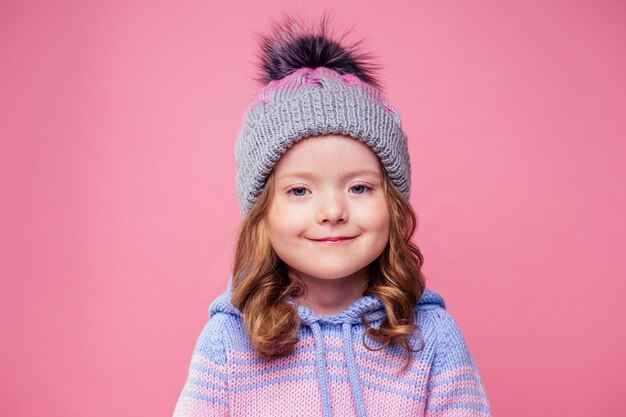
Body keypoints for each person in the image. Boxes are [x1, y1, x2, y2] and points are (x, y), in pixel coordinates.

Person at [173, 15, 491, 417]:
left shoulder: (433, 340)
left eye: (359, 187)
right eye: (299, 190)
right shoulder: (227, 343)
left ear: (392, 204)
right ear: (261, 213)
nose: (332, 212)